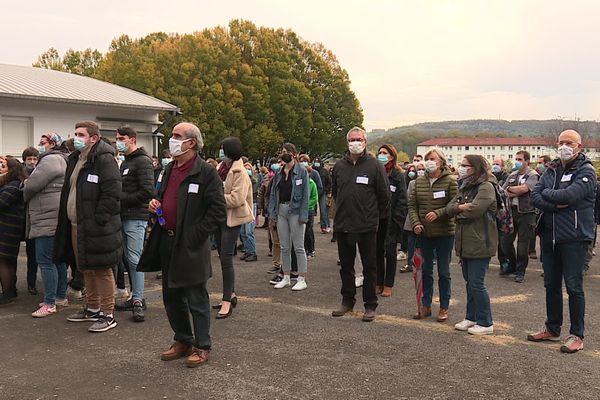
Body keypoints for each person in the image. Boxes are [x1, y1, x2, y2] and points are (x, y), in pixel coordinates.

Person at [138, 122, 226, 367]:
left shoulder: (205, 173)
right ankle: (182, 339)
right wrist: (155, 204)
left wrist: (195, 236)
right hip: (167, 238)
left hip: (190, 244)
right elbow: (164, 196)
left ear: (192, 142)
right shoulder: (169, 169)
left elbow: (217, 212)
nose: (172, 140)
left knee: (196, 297)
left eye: (177, 136)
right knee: (171, 296)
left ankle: (202, 345)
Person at [528, 129, 596, 353]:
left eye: (570, 142)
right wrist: (555, 203)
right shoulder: (551, 169)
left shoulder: (586, 171)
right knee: (551, 285)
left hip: (575, 237)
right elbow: (536, 197)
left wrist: (551, 195)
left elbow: (571, 196)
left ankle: (577, 335)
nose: (565, 146)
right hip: (550, 236)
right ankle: (552, 328)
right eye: (561, 142)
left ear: (579, 146)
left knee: (574, 287)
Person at [54, 121, 123, 333]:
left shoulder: (104, 159)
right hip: (77, 225)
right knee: (87, 268)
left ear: (93, 138)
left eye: (80, 134)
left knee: (102, 269)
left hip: (97, 226)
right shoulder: (76, 158)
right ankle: (92, 308)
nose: (76, 137)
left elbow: (112, 193)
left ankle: (108, 313)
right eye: (75, 133)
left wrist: (99, 218)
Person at [331, 127, 390, 321]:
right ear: (347, 142)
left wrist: (374, 218)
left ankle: (370, 305)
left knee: (369, 267)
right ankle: (347, 301)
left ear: (365, 142)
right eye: (352, 139)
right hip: (344, 225)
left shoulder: (374, 165)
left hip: (366, 226)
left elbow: (384, 196)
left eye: (359, 139)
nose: (355, 142)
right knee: (346, 267)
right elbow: (335, 193)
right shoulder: (339, 166)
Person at [446, 155, 497, 335]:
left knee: (476, 283)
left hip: (480, 242)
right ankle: (471, 317)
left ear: (475, 168)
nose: (461, 168)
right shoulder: (465, 186)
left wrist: (458, 214)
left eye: (465, 165)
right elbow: (451, 206)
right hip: (465, 242)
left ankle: (486, 322)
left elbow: (474, 211)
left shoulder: (486, 187)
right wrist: (460, 208)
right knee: (470, 283)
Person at [408, 148, 457, 322]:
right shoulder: (419, 182)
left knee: (444, 272)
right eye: (427, 158)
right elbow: (412, 206)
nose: (429, 161)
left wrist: (439, 213)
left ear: (441, 161)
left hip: (444, 233)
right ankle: (425, 304)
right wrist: (416, 223)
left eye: (432, 158)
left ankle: (444, 306)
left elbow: (455, 205)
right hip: (424, 233)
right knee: (426, 270)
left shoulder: (451, 181)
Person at [113, 125, 155, 322]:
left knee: (134, 258)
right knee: (128, 259)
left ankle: (138, 299)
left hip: (136, 217)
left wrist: (121, 198)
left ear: (132, 139)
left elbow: (147, 192)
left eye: (122, 138)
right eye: (117, 139)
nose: (118, 142)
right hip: (125, 216)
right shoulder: (127, 162)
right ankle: (133, 296)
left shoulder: (142, 162)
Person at [25, 133, 69, 317]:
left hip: (46, 217)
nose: (40, 146)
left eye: (42, 143)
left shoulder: (51, 160)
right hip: (53, 216)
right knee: (57, 259)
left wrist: (25, 184)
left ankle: (50, 302)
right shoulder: (62, 159)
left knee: (45, 260)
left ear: (52, 144)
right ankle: (59, 296)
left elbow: (32, 185)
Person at [214, 137, 254, 317]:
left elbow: (237, 200)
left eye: (223, 149)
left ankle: (226, 300)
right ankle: (230, 293)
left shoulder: (240, 172)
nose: (220, 152)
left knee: (226, 259)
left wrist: (215, 198)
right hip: (219, 218)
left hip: (232, 219)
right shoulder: (220, 168)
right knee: (222, 255)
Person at [267, 143, 310, 291]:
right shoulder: (279, 172)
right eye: (282, 152)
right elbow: (273, 194)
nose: (283, 154)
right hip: (281, 210)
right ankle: (286, 276)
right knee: (284, 246)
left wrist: (304, 215)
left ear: (293, 154)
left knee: (298, 246)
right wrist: (272, 214)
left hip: (296, 211)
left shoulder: (302, 171)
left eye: (286, 152)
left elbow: (306, 195)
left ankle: (301, 278)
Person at [500, 150, 539, 283]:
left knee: (523, 244)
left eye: (520, 159)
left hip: (527, 213)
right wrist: (514, 190)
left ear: (527, 161)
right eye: (516, 158)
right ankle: (512, 264)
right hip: (511, 212)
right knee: (505, 242)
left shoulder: (533, 175)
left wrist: (511, 190)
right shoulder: (512, 175)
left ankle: (520, 271)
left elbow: (525, 189)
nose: (517, 161)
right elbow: (502, 191)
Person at [375, 144, 407, 296]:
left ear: (392, 156)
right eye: (380, 152)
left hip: (392, 220)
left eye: (385, 153)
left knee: (390, 252)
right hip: (376, 219)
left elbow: (402, 200)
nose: (381, 155)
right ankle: (378, 282)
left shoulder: (398, 175)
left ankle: (388, 284)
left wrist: (397, 220)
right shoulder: (376, 172)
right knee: (377, 252)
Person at [0, 159, 27, 305]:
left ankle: (7, 293)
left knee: (3, 261)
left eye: (3, 166)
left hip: (7, 229)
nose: (0, 168)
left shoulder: (13, 186)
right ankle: (10, 291)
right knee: (8, 261)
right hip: (9, 228)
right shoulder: (12, 184)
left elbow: (2, 203)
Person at [399, 162, 425, 273]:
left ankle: (422, 263)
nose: (420, 171)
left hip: (425, 218)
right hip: (412, 218)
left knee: (422, 243)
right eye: (417, 169)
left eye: (422, 169)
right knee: (411, 242)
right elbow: (409, 199)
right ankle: (410, 263)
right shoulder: (412, 184)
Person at [22, 146, 40, 295]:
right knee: (31, 255)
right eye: (29, 159)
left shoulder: (41, 173)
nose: (32, 162)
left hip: (38, 219)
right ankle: (31, 283)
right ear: (24, 160)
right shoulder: (19, 175)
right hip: (24, 220)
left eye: (35, 159)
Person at [259, 159, 282, 275]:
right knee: (275, 241)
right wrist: (269, 210)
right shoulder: (273, 178)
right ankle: (276, 264)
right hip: (274, 213)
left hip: (287, 213)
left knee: (288, 242)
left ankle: (290, 267)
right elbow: (267, 195)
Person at [299, 154, 318, 258]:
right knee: (302, 232)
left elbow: (315, 198)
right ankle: (304, 249)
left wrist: (306, 205)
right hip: (300, 210)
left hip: (309, 210)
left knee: (308, 231)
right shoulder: (298, 182)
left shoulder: (312, 183)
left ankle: (311, 250)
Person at [239, 161, 258, 263]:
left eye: (249, 169)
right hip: (243, 206)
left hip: (251, 205)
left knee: (248, 231)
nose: (247, 171)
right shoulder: (242, 180)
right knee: (243, 231)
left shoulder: (253, 181)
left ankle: (252, 252)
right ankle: (247, 250)